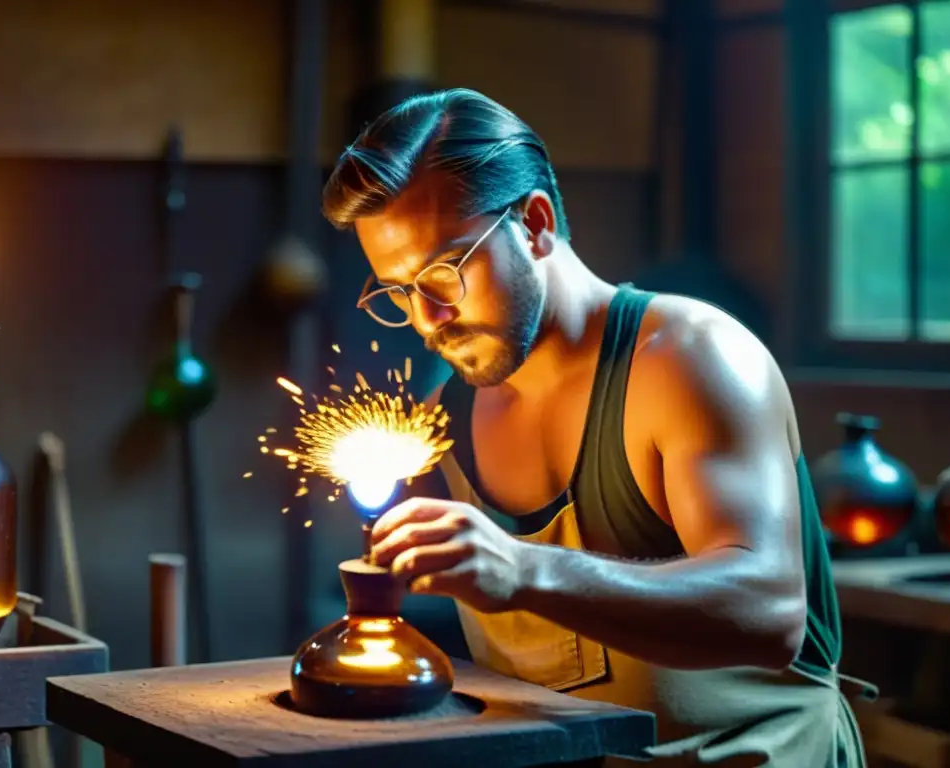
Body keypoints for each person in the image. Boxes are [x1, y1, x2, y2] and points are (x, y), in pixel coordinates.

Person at [321, 88, 874, 766]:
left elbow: (768, 613)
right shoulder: (448, 414)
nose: (427, 318)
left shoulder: (691, 359)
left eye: (443, 273)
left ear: (534, 222)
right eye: (399, 292)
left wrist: (524, 569)